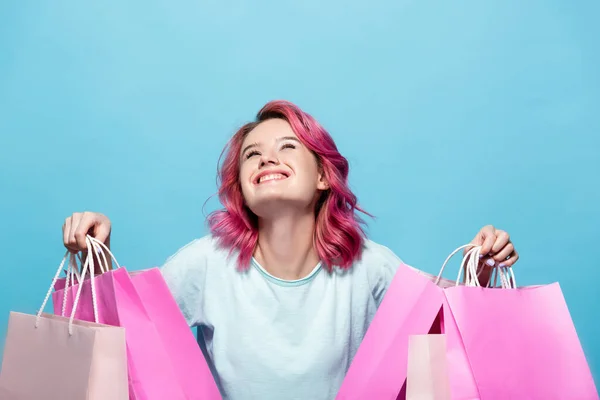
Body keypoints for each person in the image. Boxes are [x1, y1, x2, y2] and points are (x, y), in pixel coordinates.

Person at [61, 100, 519, 400]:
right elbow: (123, 333)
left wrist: (481, 268)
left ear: (323, 178)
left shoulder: (368, 266)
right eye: (251, 155)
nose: (266, 158)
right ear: (240, 186)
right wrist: (94, 254)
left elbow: (443, 332)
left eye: (287, 147)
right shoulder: (205, 262)